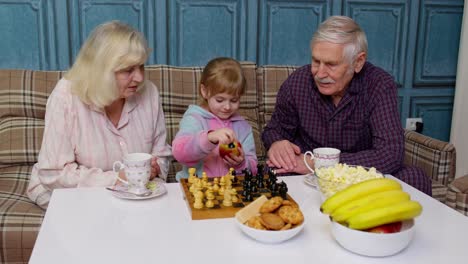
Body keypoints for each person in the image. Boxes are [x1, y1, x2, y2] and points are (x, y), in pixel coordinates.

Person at [261, 16, 432, 195]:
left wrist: (318, 163)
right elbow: (274, 130)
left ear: (358, 62)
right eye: (316, 61)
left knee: (415, 177)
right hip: (307, 178)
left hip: (359, 178)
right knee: (270, 172)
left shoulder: (379, 85)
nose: (319, 73)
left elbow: (390, 154)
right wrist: (277, 143)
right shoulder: (297, 82)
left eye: (331, 64)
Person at [27, 21, 172, 209]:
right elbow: (54, 174)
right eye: (128, 70)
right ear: (102, 71)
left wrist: (155, 168)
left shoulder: (149, 92)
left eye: (141, 67)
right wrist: (118, 177)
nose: (140, 78)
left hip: (135, 191)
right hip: (72, 193)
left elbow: (161, 154)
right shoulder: (65, 97)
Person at [172, 57, 258, 180]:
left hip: (229, 190)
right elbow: (179, 153)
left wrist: (241, 163)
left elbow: (253, 169)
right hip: (195, 189)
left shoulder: (243, 127)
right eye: (220, 100)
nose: (227, 107)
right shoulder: (195, 118)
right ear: (204, 91)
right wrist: (209, 138)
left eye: (234, 100)